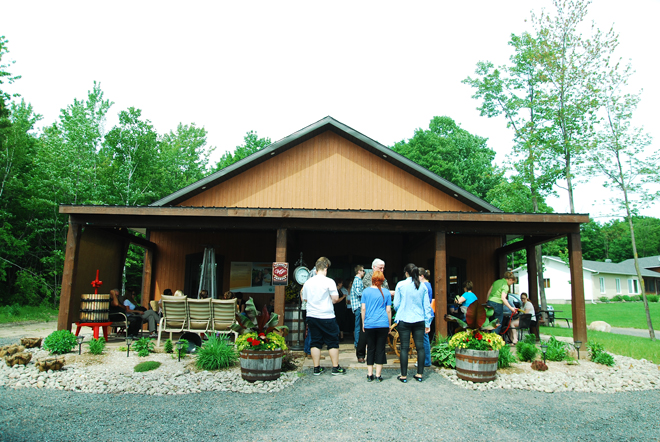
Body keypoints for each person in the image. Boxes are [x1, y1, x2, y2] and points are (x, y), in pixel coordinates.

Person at [301, 257, 346, 376]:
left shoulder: (308, 282)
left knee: (315, 341)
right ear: (325, 269)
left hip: (312, 315)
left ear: (316, 270)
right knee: (332, 341)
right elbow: (335, 299)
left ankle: (316, 368)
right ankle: (335, 368)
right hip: (326, 315)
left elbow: (304, 298)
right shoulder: (329, 281)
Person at [393, 263, 433, 382]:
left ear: (406, 273)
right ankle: (420, 374)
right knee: (420, 347)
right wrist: (428, 323)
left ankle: (404, 376)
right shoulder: (423, 286)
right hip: (419, 319)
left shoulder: (400, 284)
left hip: (404, 319)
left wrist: (401, 310)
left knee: (404, 347)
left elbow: (396, 304)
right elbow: (427, 307)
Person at [357, 258, 393, 363]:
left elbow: (384, 289)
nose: (382, 270)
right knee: (363, 334)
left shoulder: (383, 278)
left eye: (383, 268)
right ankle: (361, 354)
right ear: (374, 267)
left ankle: (377, 356)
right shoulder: (368, 277)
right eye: (380, 267)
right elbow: (373, 291)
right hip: (368, 310)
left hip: (379, 310)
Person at [361, 270, 391, 382]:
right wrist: (388, 325)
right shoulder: (387, 292)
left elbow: (363, 309)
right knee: (380, 349)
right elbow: (388, 310)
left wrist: (363, 322)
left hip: (369, 323)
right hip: (383, 323)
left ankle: (369, 374)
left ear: (372, 279)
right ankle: (378, 375)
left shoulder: (366, 292)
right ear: (382, 280)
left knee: (370, 348)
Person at [486, 271, 518, 336]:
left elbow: (489, 292)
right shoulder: (505, 286)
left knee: (491, 322)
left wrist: (487, 301)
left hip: (490, 302)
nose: (511, 284)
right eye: (512, 283)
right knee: (498, 323)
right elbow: (503, 298)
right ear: (510, 279)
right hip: (497, 304)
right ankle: (494, 340)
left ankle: (488, 339)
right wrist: (511, 308)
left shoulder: (496, 282)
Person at [348, 265, 366, 362]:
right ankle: (358, 343)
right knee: (359, 326)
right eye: (363, 271)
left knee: (358, 326)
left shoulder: (357, 280)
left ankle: (358, 343)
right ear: (359, 271)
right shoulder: (358, 280)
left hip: (356, 306)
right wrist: (368, 293)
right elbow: (359, 293)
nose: (364, 272)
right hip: (359, 306)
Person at [418, 267, 434, 368]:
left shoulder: (425, 285)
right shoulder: (427, 284)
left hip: (426, 313)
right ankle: (424, 360)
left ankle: (426, 360)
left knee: (424, 337)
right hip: (427, 312)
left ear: (422, 276)